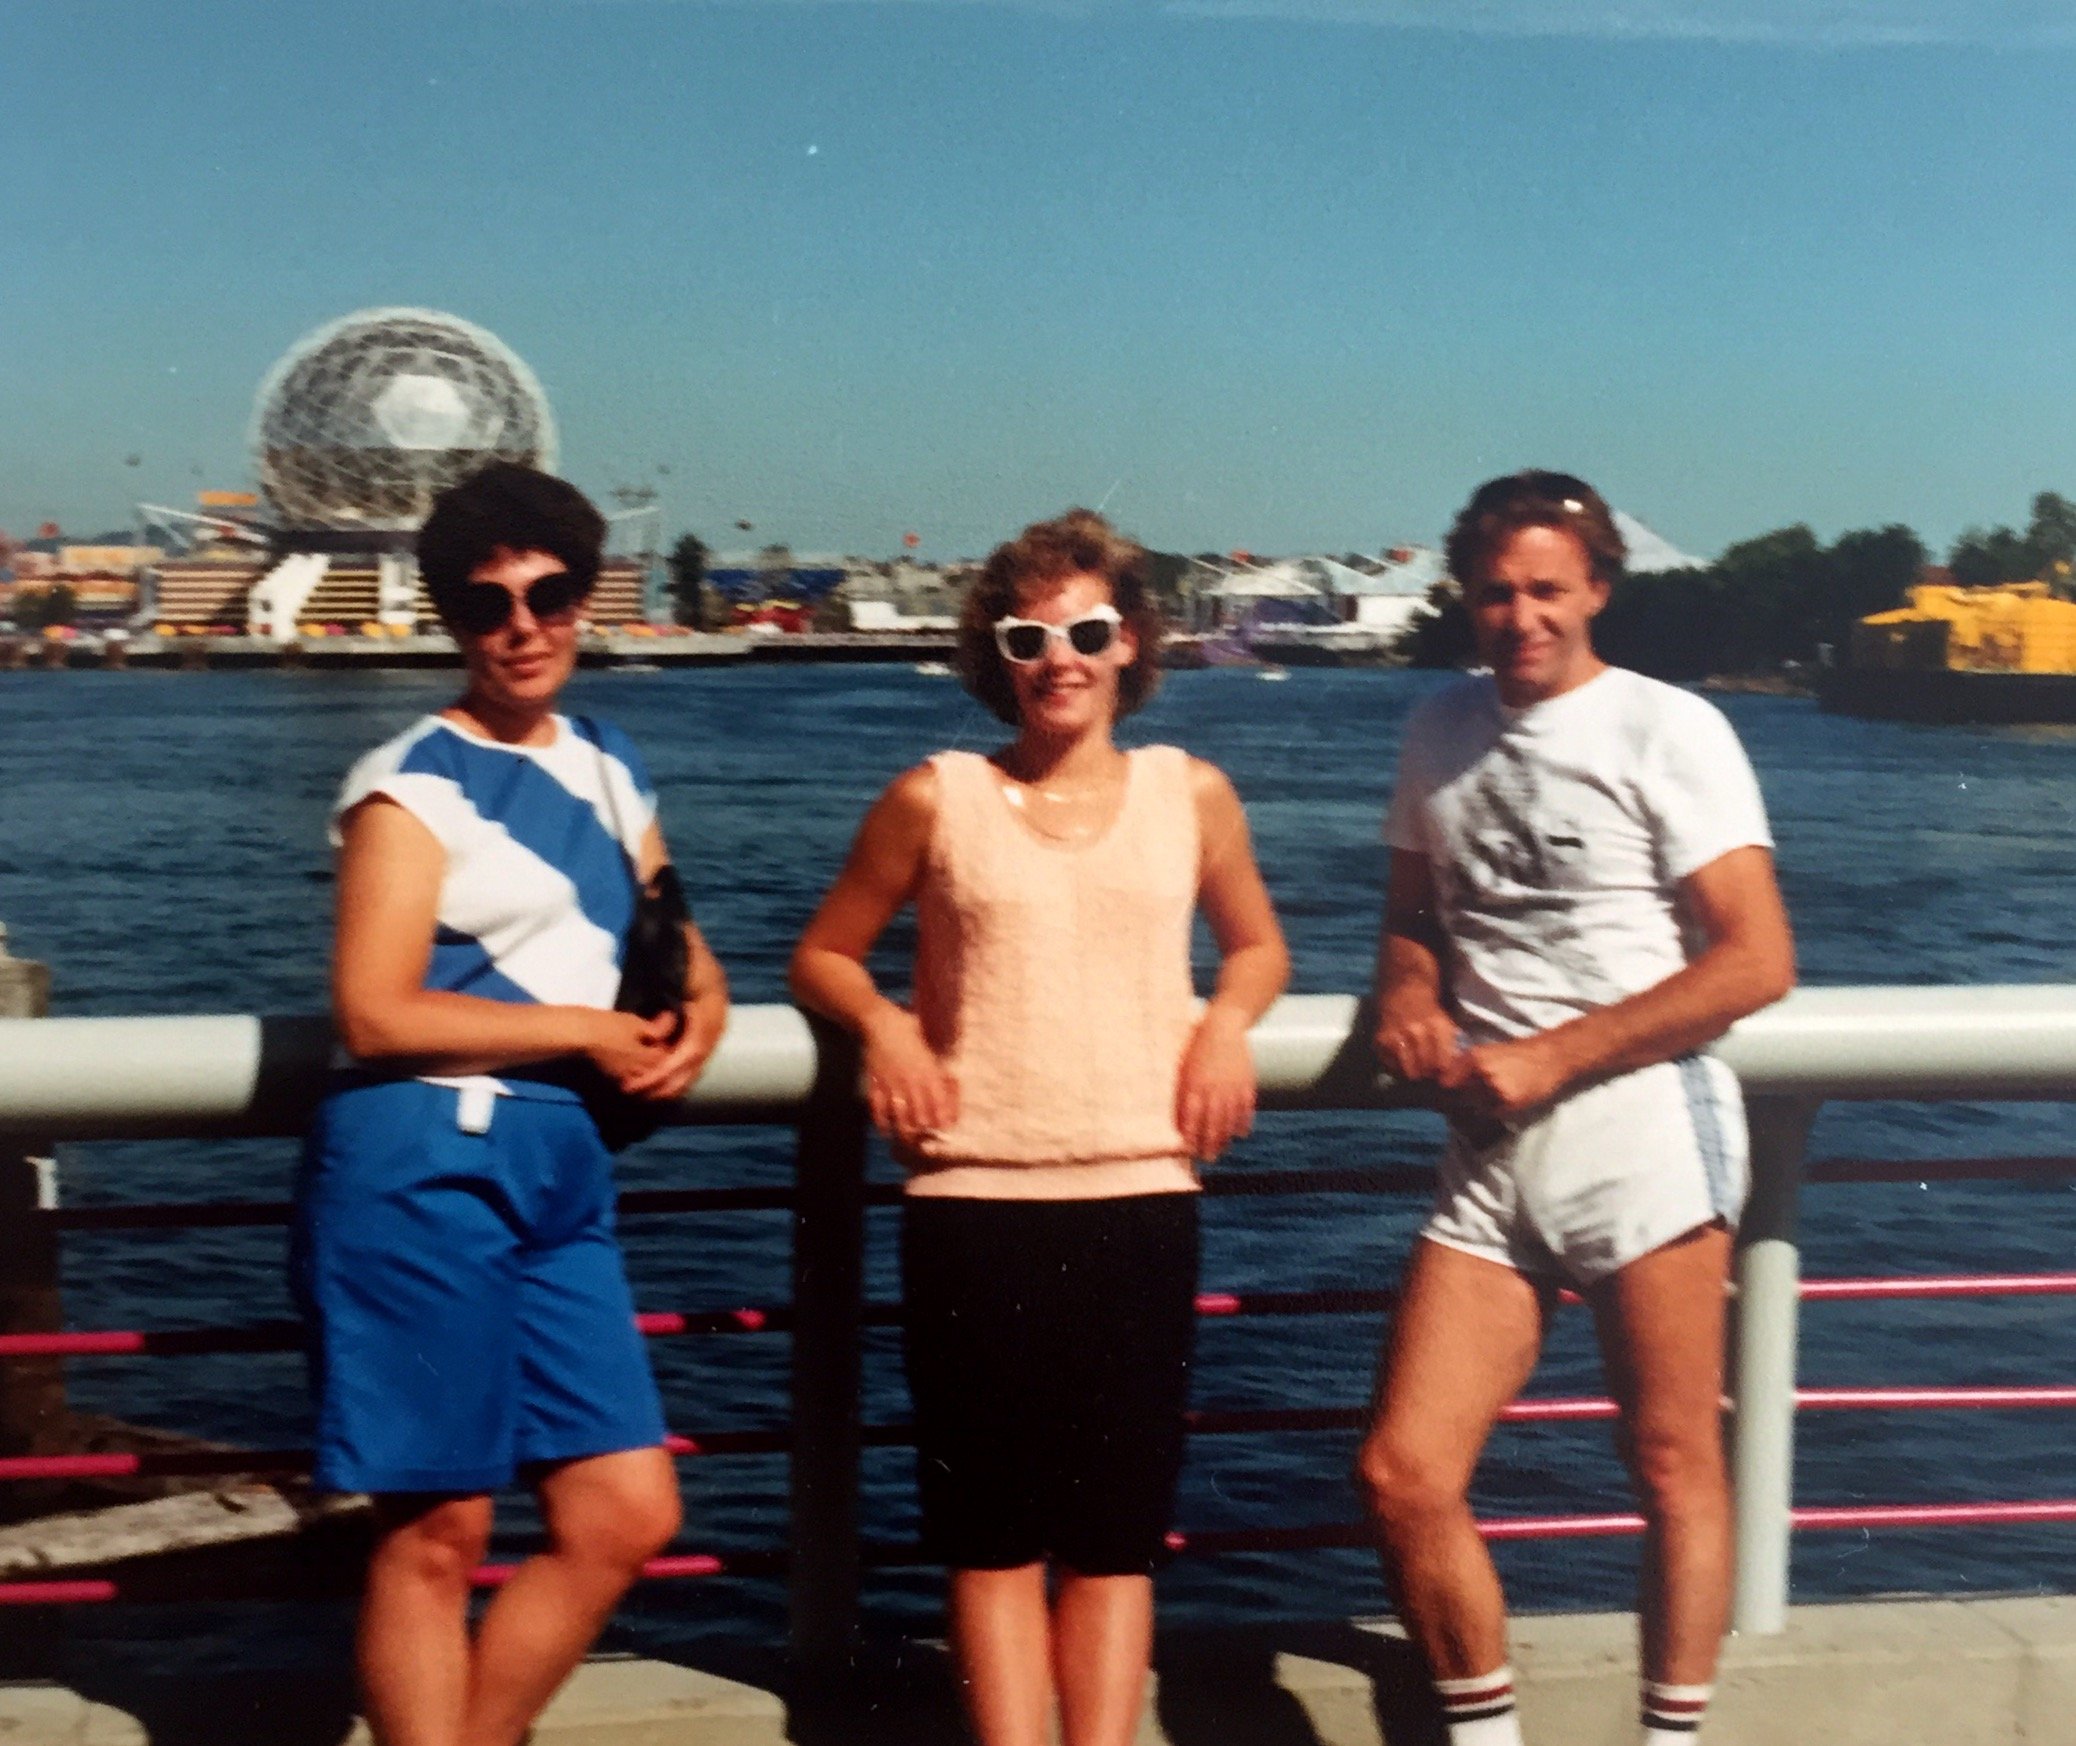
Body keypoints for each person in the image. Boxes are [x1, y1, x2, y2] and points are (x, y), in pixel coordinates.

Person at [790, 508, 1288, 1746]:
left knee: (1117, 1542)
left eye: (1088, 631)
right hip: (974, 1209)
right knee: (993, 1541)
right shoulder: (935, 798)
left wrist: (1226, 1023)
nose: (1059, 657)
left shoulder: (1194, 795)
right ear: (996, 657)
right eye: (1029, 636)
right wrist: (891, 1030)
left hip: (1142, 1199)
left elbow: (1261, 945)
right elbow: (826, 955)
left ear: (1132, 644)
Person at [291, 462, 729, 1746]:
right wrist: (589, 1029)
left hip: (560, 1169)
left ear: (587, 599)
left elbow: (675, 936)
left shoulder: (609, 763)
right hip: (421, 1155)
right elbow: (375, 1009)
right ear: (452, 619)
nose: (523, 626)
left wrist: (700, 1017)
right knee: (438, 1532)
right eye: (487, 606)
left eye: (549, 594)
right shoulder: (407, 785)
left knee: (623, 1513)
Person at [1355, 472, 1795, 1746]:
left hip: (1644, 1132)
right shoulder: (1438, 727)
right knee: (1402, 1474)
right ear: (1464, 597)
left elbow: (1756, 958)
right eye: (1496, 591)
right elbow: (1407, 918)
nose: (1521, 616)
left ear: (1599, 586)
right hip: (1490, 1154)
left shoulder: (1672, 731)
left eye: (1548, 589)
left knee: (1671, 1466)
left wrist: (1557, 1055)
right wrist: (1405, 989)